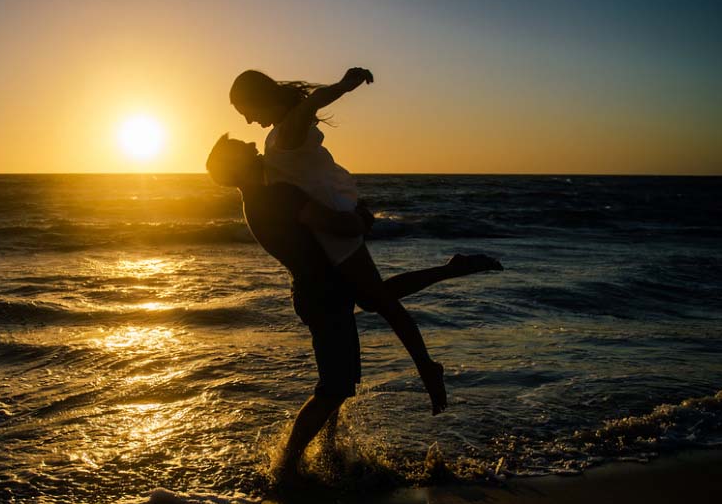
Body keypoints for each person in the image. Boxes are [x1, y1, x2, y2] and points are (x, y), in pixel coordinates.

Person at [206, 135, 501, 484]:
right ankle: (286, 468)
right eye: (247, 150)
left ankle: (327, 453)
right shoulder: (275, 197)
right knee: (334, 386)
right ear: (236, 167)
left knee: (348, 359)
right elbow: (337, 224)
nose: (257, 150)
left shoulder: (258, 200)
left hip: (320, 290)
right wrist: (361, 218)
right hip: (322, 295)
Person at [230, 68, 501, 414]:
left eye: (247, 111)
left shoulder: (286, 133)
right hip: (329, 219)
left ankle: (428, 362)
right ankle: (448, 280)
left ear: (259, 98)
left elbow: (313, 101)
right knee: (376, 298)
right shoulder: (278, 136)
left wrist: (344, 86)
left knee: (381, 301)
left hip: (334, 222)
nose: (250, 121)